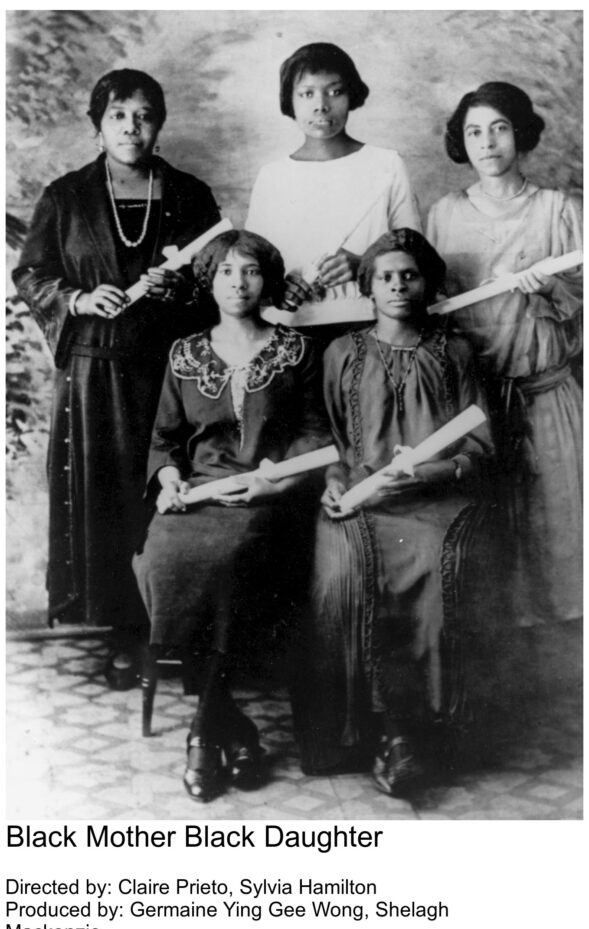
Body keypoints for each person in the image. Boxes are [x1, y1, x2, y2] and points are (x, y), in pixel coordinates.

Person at [13, 69, 220, 681]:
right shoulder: (67, 195)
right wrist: (77, 300)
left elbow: (216, 275)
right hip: (94, 372)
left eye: (145, 115)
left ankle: (176, 626)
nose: (132, 128)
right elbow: (30, 275)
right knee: (108, 499)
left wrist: (179, 283)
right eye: (118, 116)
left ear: (161, 122)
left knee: (168, 491)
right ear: (98, 124)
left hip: (167, 368)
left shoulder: (188, 194)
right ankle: (125, 632)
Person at [133, 230, 329, 802]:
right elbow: (165, 439)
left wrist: (275, 481)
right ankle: (233, 727)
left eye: (250, 271)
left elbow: (317, 433)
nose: (238, 283)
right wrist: (170, 480)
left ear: (268, 279)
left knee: (233, 560)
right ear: (209, 280)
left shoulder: (296, 350)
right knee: (160, 558)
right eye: (225, 272)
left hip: (265, 498)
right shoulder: (184, 352)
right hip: (196, 496)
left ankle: (202, 734)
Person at [296, 229, 493, 797]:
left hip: (436, 501)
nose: (399, 285)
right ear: (369, 287)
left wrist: (423, 472)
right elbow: (330, 444)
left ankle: (424, 729)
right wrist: (335, 485)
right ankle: (378, 728)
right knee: (346, 572)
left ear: (428, 282)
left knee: (438, 565)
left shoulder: (454, 353)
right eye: (386, 276)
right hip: (362, 500)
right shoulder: (342, 353)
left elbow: (478, 449)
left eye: (410, 275)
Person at [427, 82, 582, 626]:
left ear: (520, 133)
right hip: (475, 407)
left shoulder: (559, 210)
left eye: (499, 128)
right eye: (474, 131)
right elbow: (430, 306)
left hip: (545, 398)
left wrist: (548, 290)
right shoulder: (444, 214)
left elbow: (582, 305)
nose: (487, 142)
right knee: (486, 551)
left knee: (557, 545)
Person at [246, 41, 421, 339]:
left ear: (351, 94)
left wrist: (365, 265)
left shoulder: (386, 164)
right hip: (290, 328)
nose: (321, 105)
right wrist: (278, 288)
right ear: (290, 100)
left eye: (335, 91)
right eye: (307, 93)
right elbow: (252, 264)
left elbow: (416, 255)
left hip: (373, 324)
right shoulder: (271, 176)